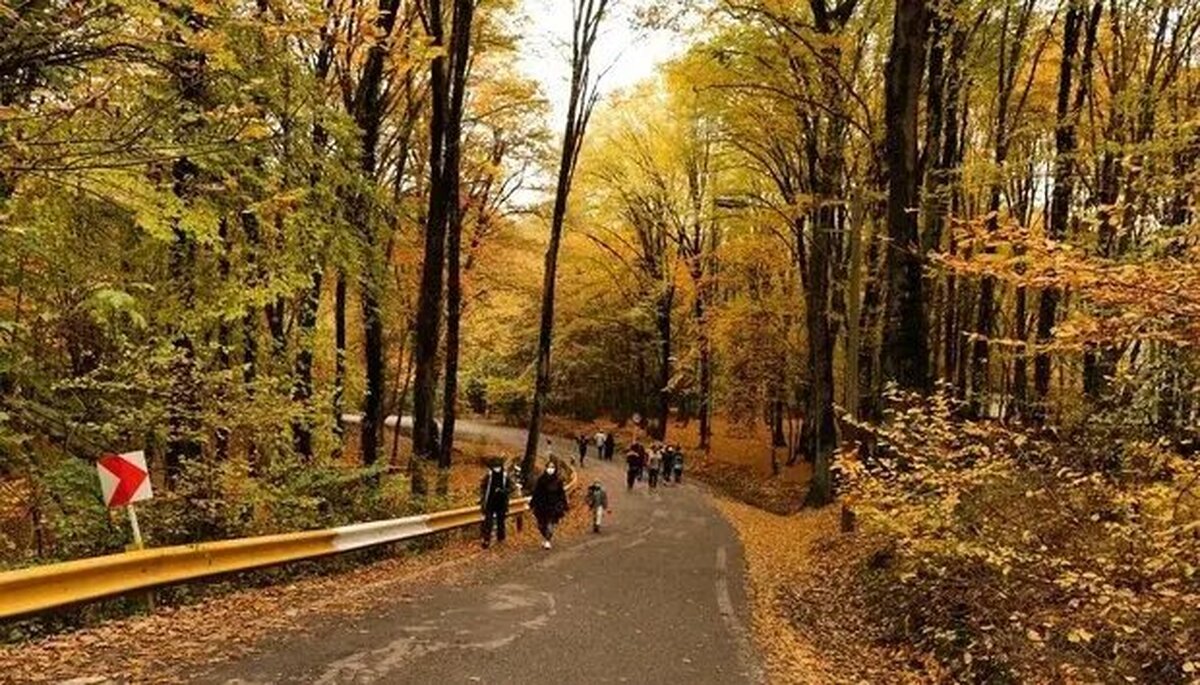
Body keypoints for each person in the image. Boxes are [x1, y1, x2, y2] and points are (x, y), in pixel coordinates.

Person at [531, 462, 569, 549]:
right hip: (541, 506)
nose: (550, 469)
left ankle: (548, 540)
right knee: (541, 525)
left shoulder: (558, 481)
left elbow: (561, 493)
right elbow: (536, 493)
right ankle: (545, 537)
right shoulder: (541, 480)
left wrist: (564, 504)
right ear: (546, 468)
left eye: (552, 467)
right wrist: (532, 503)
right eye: (549, 467)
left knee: (550, 523)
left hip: (553, 506)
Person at [478, 461, 512, 548]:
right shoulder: (489, 476)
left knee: (501, 522)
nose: (497, 469)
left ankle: (501, 538)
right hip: (490, 503)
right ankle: (486, 540)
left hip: (501, 503)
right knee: (488, 522)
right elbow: (482, 486)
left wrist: (502, 491)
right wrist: (482, 498)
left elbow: (510, 488)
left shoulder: (505, 477)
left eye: (498, 467)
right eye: (495, 467)